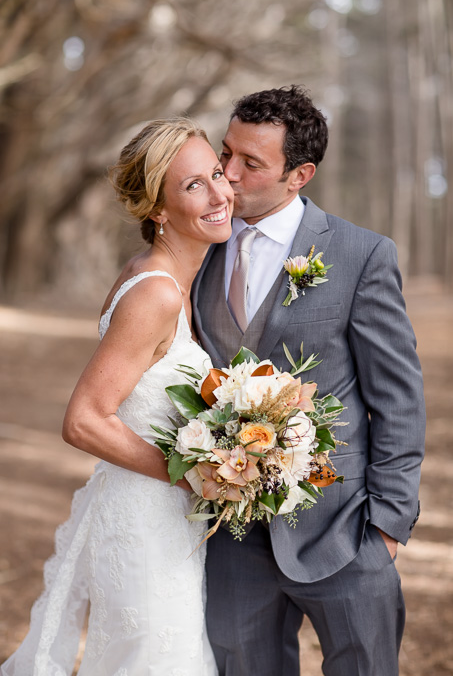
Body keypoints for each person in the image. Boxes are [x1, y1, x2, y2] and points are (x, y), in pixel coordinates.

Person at [192, 85, 425, 676]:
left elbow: (397, 397)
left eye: (252, 163)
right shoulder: (199, 250)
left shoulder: (359, 254)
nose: (228, 174)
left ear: (300, 174)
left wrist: (387, 526)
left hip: (343, 528)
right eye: (226, 154)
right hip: (232, 535)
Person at [1, 117, 233, 676]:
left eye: (217, 174)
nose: (220, 193)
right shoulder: (154, 292)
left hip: (161, 518)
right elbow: (83, 420)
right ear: (157, 209)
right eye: (193, 185)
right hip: (148, 524)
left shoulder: (159, 276)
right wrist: (193, 475)